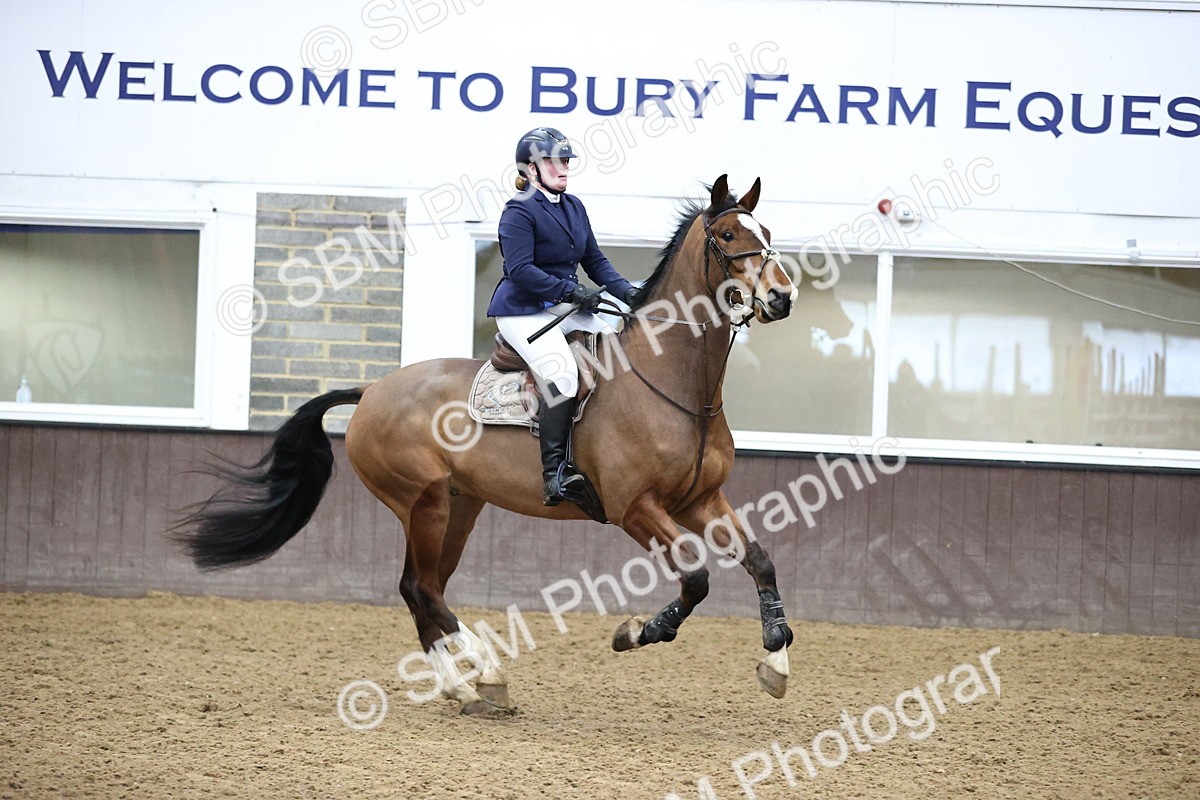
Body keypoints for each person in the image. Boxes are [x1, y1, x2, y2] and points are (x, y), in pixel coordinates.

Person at [486, 126, 642, 507]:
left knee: (618, 353)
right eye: (553, 161)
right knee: (562, 373)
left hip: (565, 306)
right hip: (523, 309)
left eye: (566, 161)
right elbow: (520, 269)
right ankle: (554, 474)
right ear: (531, 169)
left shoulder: (573, 207)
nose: (563, 168)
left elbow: (595, 262)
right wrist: (570, 291)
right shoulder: (519, 210)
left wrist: (632, 295)